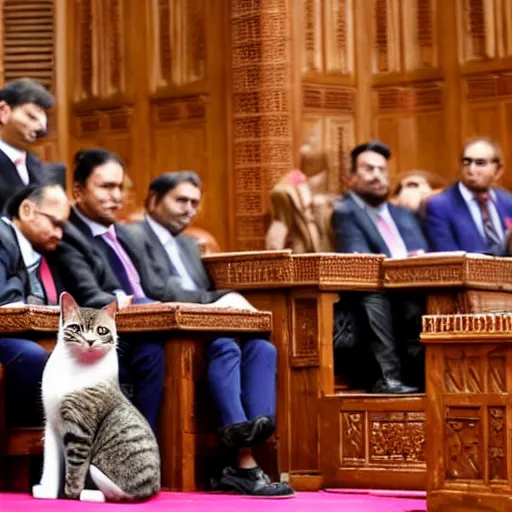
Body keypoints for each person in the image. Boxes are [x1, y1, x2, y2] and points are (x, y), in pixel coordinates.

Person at [55, 151, 293, 497]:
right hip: (122, 332)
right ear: (78, 190)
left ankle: (249, 442)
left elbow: (157, 286)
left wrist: (210, 304)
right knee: (212, 342)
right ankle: (229, 461)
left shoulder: (123, 235)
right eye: (106, 186)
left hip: (163, 317)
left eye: (120, 187)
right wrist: (209, 304)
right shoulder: (70, 236)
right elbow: (94, 297)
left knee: (261, 346)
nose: (116, 196)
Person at [332, 140, 429, 393]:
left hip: (415, 288)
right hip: (374, 292)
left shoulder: (402, 214)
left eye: (382, 170)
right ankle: (387, 377)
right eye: (369, 169)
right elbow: (359, 260)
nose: (377, 176)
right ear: (351, 177)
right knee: (372, 292)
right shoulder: (345, 211)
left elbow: (423, 253)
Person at [0, 184, 70, 426]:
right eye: (54, 223)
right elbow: (4, 302)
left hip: (18, 333)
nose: (59, 234)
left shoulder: (38, 254)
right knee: (32, 357)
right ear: (27, 210)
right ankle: (22, 445)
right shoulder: (2, 236)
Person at [424, 137, 512, 254]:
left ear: (498, 170)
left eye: (480, 163)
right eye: (467, 162)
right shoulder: (439, 206)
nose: (471, 170)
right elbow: (448, 259)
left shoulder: (507, 201)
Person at [0, 78, 55, 211]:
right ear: (3, 111)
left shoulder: (36, 165)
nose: (40, 128)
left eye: (43, 121)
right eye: (31, 117)